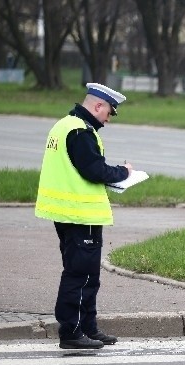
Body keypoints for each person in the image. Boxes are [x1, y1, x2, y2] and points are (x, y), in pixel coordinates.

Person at [35, 83, 132, 349]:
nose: (108, 119)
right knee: (80, 276)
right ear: (98, 105)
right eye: (109, 112)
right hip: (80, 214)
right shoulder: (80, 131)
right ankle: (72, 333)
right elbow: (95, 170)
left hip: (67, 213)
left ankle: (88, 328)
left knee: (87, 275)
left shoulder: (64, 124)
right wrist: (124, 172)